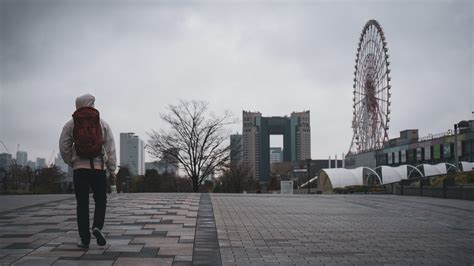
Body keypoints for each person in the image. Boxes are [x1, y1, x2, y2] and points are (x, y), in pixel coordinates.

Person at [59, 94, 116, 249]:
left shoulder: (71, 124)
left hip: (79, 170)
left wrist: (72, 161)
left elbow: (64, 146)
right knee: (101, 200)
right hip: (98, 169)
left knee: (82, 204)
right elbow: (110, 148)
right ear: (92, 104)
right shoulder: (102, 123)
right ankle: (97, 226)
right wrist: (112, 169)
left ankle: (84, 240)